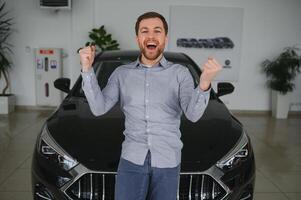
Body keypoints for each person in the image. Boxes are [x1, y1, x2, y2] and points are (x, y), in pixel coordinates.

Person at [79, 11, 221, 200]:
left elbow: (193, 114)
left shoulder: (180, 73)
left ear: (165, 37)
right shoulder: (122, 74)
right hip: (131, 159)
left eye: (157, 31)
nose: (151, 36)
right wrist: (87, 70)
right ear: (138, 38)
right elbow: (98, 108)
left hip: (167, 160)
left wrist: (204, 83)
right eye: (144, 31)